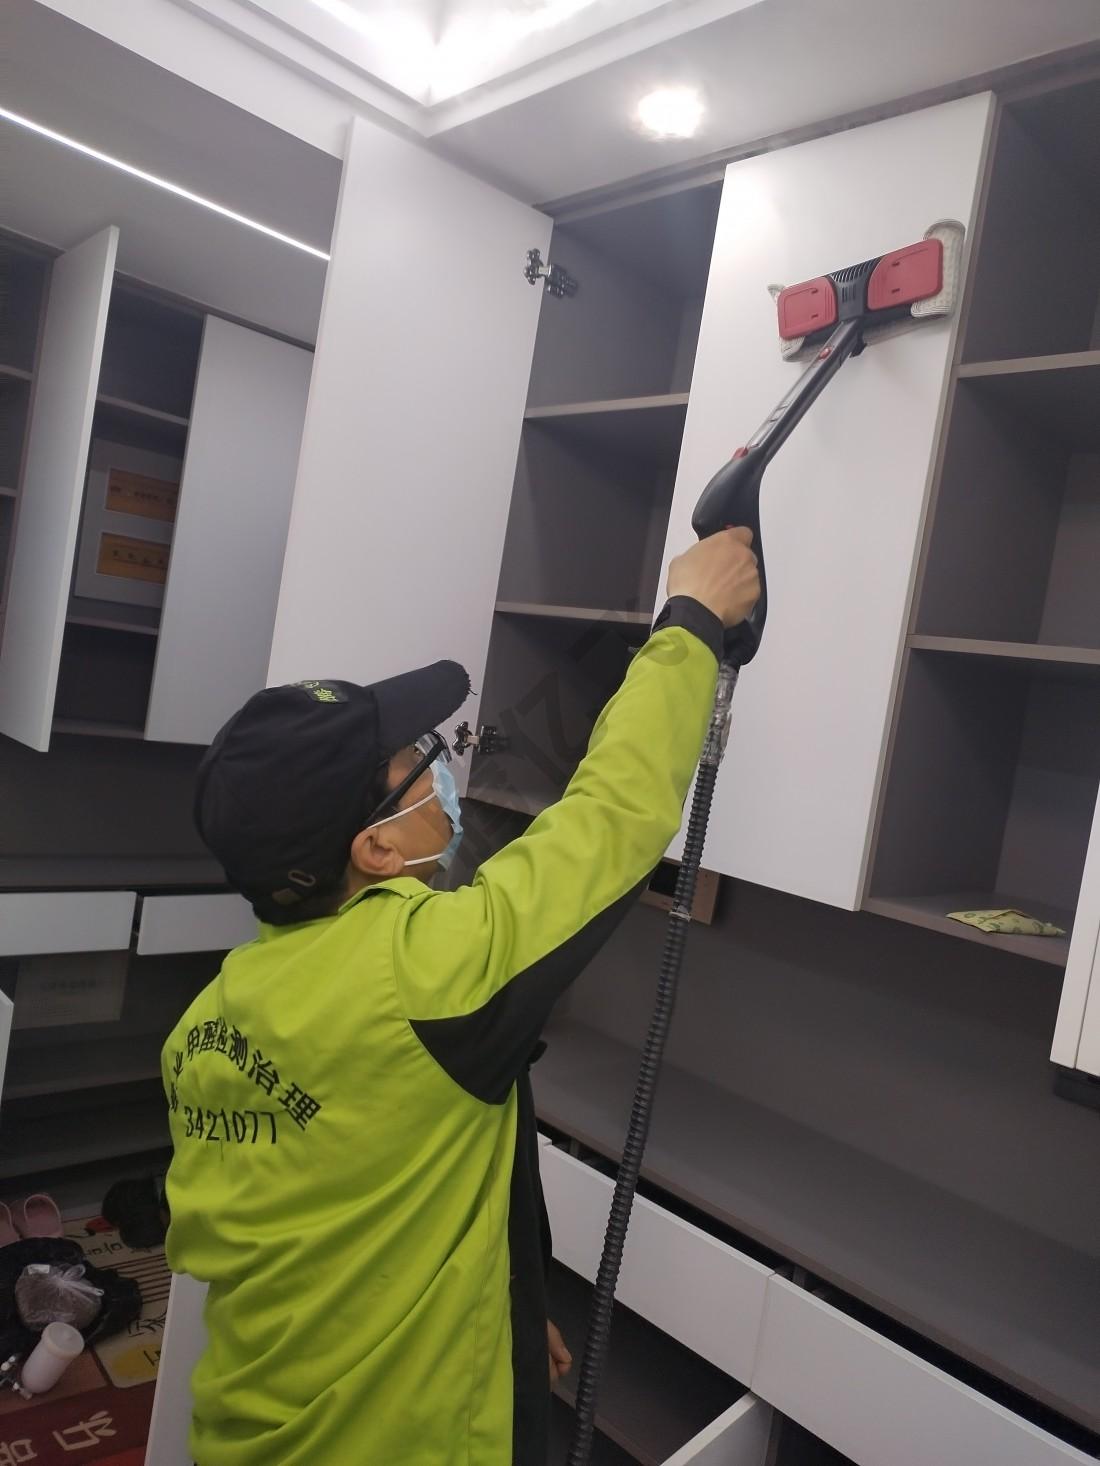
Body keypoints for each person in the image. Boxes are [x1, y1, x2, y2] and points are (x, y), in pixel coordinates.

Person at [162, 527, 760, 1466]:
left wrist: (497, 1312)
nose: (441, 768)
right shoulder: (426, 977)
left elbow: (342, 1230)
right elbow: (609, 819)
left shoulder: (206, 1027)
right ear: (376, 848)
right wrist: (690, 622)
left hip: (251, 1430)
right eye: (418, 761)